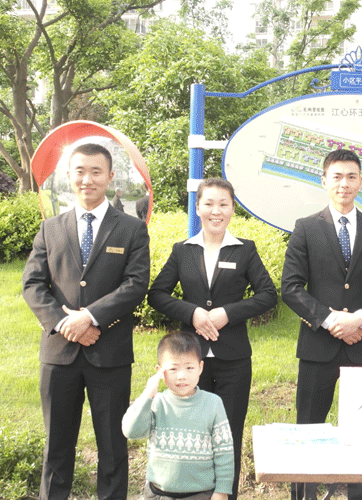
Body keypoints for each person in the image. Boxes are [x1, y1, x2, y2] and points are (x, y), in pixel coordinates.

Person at [22, 142, 150, 500]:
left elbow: (136, 284)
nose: (87, 179)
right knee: (56, 446)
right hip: (59, 354)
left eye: (96, 172)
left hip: (109, 352)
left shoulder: (131, 229)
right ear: (69, 175)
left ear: (110, 176)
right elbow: (32, 284)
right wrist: (65, 324)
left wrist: (91, 318)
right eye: (79, 171)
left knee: (113, 446)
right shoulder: (50, 228)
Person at [281, 148, 362, 500]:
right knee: (307, 432)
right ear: (324, 181)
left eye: (351, 176)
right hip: (317, 347)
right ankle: (303, 496)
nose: (344, 184)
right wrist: (331, 319)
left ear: (361, 182)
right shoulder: (306, 228)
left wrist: (360, 319)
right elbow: (291, 287)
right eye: (336, 176)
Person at [147, 177, 277, 500]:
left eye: (223, 204)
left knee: (228, 435)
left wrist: (227, 313)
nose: (215, 211)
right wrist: (192, 313)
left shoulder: (245, 250)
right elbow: (157, 294)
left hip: (234, 360)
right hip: (190, 363)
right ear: (197, 207)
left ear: (232, 209)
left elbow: (268, 294)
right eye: (209, 203)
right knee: (193, 432)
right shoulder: (183, 251)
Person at [122, 331, 234, 500]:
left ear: (200, 367)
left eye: (189, 368)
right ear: (160, 372)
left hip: (200, 495)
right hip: (158, 494)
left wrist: (222, 490)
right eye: (173, 369)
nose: (182, 376)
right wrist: (147, 395)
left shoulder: (213, 403)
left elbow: (224, 451)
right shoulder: (156, 403)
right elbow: (131, 431)